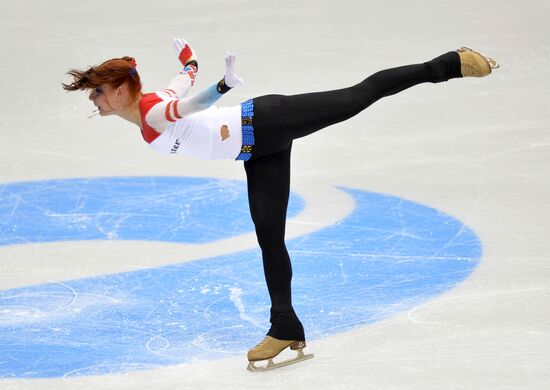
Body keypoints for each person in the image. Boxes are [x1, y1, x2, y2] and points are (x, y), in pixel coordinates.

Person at [62, 38, 498, 371]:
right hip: (256, 152)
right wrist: (190, 59)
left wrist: (223, 85)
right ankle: (285, 327)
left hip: (265, 120)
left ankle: (448, 64)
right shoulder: (150, 106)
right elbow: (184, 82)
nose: (93, 100)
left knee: (357, 96)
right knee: (270, 238)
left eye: (97, 92)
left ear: (120, 91)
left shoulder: (156, 113)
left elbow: (191, 102)